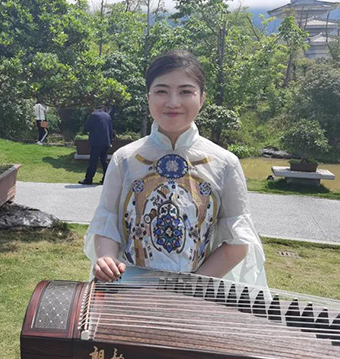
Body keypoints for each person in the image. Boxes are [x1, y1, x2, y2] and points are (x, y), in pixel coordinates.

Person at [84, 50, 267, 287]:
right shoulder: (125, 159)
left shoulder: (225, 163)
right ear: (148, 97)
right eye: (161, 91)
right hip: (128, 291)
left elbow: (237, 242)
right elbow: (106, 223)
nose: (173, 102)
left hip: (193, 297)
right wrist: (107, 259)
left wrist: (190, 287)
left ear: (202, 98)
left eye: (185, 91)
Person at [79, 105, 112, 185]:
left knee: (93, 160)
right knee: (104, 161)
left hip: (96, 141)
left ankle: (89, 179)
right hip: (106, 142)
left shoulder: (93, 115)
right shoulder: (108, 116)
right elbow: (110, 129)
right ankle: (106, 179)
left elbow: (87, 127)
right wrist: (110, 141)